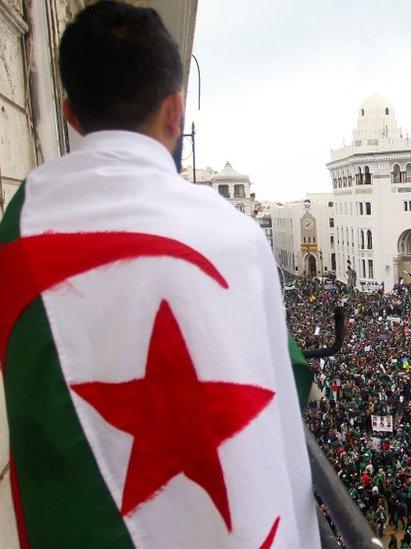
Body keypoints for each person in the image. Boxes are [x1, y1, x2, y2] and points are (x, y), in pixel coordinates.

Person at [0, 2, 318, 547]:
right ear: (176, 111)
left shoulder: (19, 228)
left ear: (70, 112)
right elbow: (284, 376)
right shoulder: (235, 238)